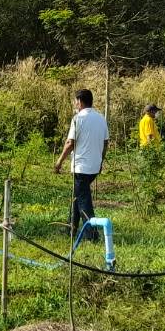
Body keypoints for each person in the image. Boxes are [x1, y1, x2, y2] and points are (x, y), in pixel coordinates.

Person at [54, 88, 109, 242]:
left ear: (80, 101)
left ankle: (92, 236)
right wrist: (100, 161)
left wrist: (59, 162)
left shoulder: (78, 118)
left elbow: (70, 143)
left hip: (81, 167)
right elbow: (106, 143)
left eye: (75, 100)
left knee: (84, 202)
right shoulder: (100, 118)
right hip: (94, 168)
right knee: (79, 197)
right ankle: (72, 228)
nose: (74, 103)